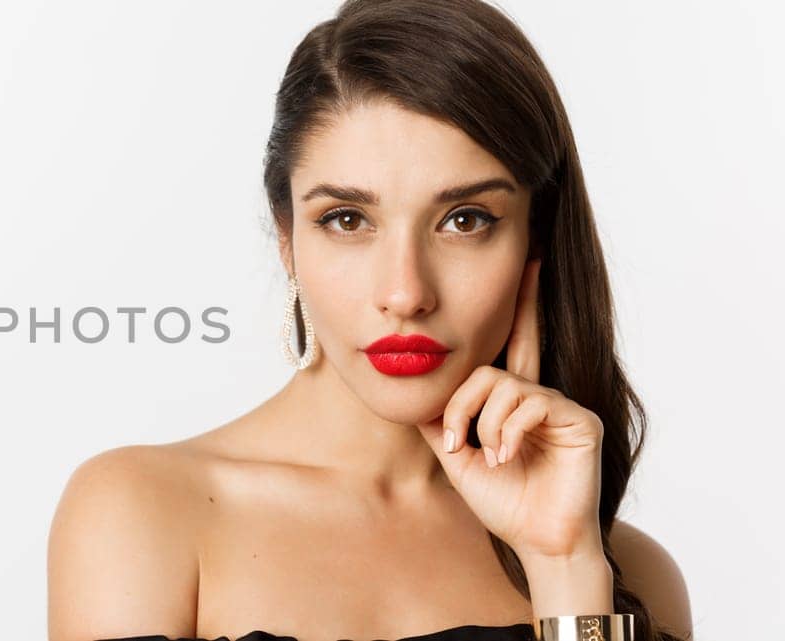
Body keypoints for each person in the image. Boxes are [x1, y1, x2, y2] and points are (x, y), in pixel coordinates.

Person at [46, 1, 693, 640]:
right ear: (286, 238)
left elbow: (579, 566)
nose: (406, 293)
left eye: (464, 219)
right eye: (347, 220)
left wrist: (563, 569)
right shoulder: (140, 516)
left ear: (535, 239)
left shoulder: (621, 572)